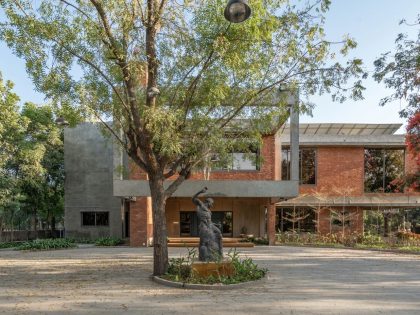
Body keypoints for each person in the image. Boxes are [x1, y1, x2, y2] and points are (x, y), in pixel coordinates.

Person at [192, 187, 223, 261]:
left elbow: (210, 221)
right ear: (208, 202)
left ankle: (219, 253)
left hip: (210, 225)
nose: (212, 205)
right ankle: (204, 256)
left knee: (219, 234)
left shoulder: (209, 211)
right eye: (211, 203)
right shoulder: (201, 205)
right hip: (204, 226)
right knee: (205, 241)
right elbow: (193, 198)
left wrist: (216, 225)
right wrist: (200, 191)